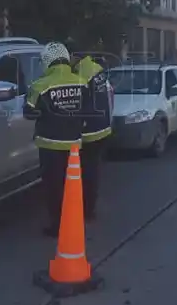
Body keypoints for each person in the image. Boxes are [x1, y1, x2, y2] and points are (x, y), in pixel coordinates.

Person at [23, 42, 89, 237]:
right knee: (73, 185)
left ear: (47, 61)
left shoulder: (40, 85)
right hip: (74, 143)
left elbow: (29, 112)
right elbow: (86, 109)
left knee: (54, 187)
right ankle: (75, 220)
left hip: (49, 144)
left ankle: (57, 225)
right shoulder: (81, 81)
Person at [72, 54, 111, 221]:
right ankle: (90, 207)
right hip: (103, 127)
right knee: (93, 170)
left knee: (87, 173)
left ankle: (87, 211)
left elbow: (76, 102)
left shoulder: (80, 74)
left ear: (75, 57)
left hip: (90, 131)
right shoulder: (97, 70)